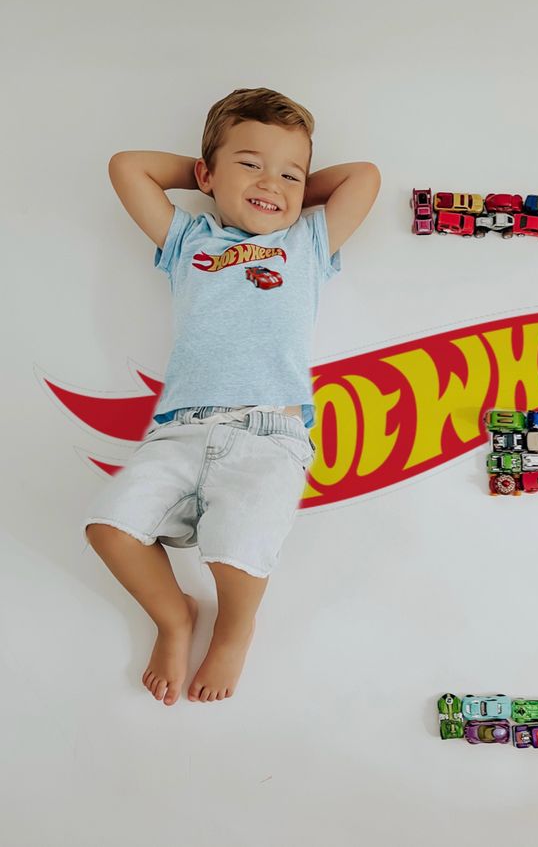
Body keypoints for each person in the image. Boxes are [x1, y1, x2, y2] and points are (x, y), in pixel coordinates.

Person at [81, 87, 381, 706]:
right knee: (109, 529)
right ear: (207, 174)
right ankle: (176, 616)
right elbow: (126, 166)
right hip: (178, 431)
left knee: (240, 552)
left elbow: (363, 176)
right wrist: (211, 178)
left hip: (270, 431)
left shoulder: (307, 245)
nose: (269, 180)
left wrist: (286, 190)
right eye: (250, 163)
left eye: (290, 171)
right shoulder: (189, 240)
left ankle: (235, 627)